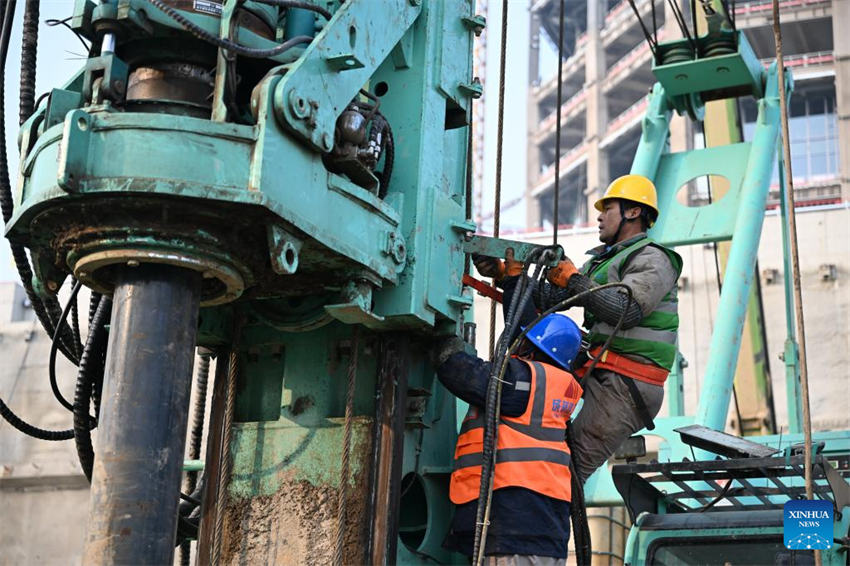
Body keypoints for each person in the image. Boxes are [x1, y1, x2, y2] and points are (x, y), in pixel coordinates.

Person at [475, 174, 682, 484]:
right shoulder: (603, 263)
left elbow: (626, 311)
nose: (599, 216)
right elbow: (550, 298)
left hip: (628, 387)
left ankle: (545, 524)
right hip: (601, 370)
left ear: (633, 212)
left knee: (566, 472)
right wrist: (509, 277)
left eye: (607, 208)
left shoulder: (653, 259)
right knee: (539, 344)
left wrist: (574, 279)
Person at [434, 267, 584, 564]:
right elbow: (521, 334)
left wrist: (441, 340)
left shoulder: (523, 382)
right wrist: (514, 280)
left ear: (532, 348)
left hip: (515, 529)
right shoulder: (552, 384)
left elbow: (461, 374)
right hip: (539, 530)